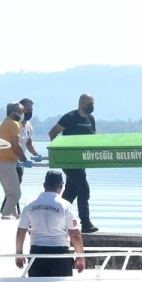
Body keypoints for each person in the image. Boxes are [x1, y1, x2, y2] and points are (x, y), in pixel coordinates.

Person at [15, 170, 85, 277]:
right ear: (62, 186)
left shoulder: (30, 204)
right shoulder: (66, 206)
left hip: (36, 254)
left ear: (44, 185)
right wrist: (80, 256)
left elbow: (21, 232)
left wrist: (19, 254)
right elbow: (75, 235)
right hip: (59, 255)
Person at [48, 93, 98, 233]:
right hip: (69, 162)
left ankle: (55, 220)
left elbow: (94, 138)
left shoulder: (91, 119)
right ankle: (86, 223)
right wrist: (59, 151)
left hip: (82, 161)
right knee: (84, 190)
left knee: (70, 193)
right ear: (82, 103)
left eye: (93, 103)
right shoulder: (69, 117)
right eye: (89, 104)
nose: (92, 106)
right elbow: (52, 133)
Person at [0, 102, 31, 217]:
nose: (22, 114)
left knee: (10, 196)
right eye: (20, 112)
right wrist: (24, 159)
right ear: (11, 112)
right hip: (5, 164)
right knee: (15, 195)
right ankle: (3, 219)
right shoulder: (14, 124)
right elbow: (16, 145)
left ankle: (13, 219)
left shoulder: (4, 122)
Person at [17, 97, 42, 183]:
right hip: (11, 161)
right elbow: (14, 144)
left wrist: (36, 154)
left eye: (31, 110)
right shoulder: (14, 124)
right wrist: (24, 160)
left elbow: (28, 143)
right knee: (13, 191)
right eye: (27, 110)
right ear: (20, 110)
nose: (30, 112)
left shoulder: (28, 125)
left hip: (20, 161)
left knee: (17, 186)